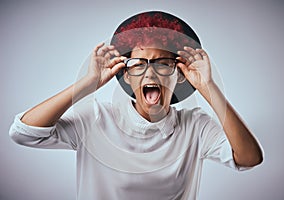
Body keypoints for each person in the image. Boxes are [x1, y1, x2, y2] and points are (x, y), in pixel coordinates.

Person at [9, 11, 263, 200]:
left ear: (179, 74)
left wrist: (208, 88)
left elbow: (250, 158)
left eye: (163, 63)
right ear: (126, 74)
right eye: (139, 64)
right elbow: (23, 132)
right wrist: (86, 84)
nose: (150, 74)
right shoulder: (95, 119)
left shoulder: (195, 125)